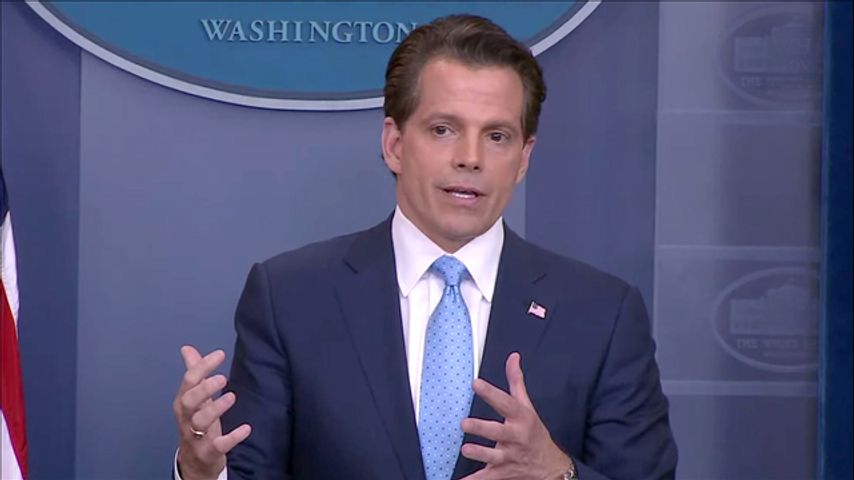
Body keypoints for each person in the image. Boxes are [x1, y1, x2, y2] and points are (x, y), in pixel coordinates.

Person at [172, 14, 677, 480]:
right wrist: (201, 471)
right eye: (443, 129)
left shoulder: (602, 314)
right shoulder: (290, 297)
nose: (470, 157)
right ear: (394, 144)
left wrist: (559, 473)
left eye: (497, 136)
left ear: (523, 159)